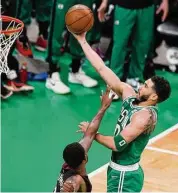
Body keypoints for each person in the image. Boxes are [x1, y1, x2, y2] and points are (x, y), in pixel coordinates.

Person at [70, 31, 171, 192]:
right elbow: (101, 68)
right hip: (117, 170)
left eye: (145, 86)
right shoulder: (129, 95)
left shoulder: (144, 117)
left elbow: (117, 145)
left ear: (153, 96)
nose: (140, 86)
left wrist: (92, 133)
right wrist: (82, 41)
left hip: (126, 176)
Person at [97, 0, 169, 90]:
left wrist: (165, 1)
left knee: (142, 44)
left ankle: (134, 78)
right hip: (124, 6)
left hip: (147, 7)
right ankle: (114, 83)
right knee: (120, 44)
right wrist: (104, 2)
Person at [53, 87, 114, 192]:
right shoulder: (77, 179)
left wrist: (103, 108)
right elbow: (73, 182)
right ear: (84, 159)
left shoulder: (68, 164)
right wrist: (68, 188)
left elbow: (90, 134)